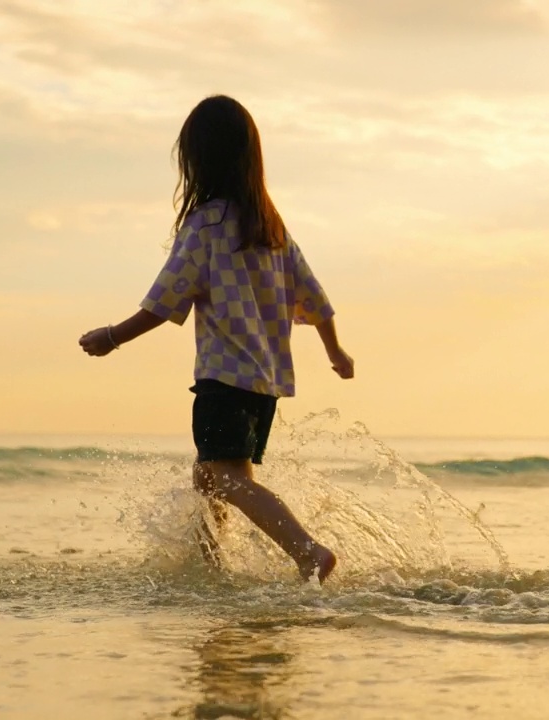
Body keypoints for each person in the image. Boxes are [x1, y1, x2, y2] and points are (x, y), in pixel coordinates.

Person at [78, 95, 352, 583]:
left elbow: (165, 299)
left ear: (197, 160)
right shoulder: (270, 228)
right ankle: (213, 566)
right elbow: (316, 296)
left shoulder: (207, 223)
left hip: (224, 377)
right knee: (212, 476)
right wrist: (335, 351)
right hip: (263, 383)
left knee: (222, 476)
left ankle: (308, 551)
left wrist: (112, 336)